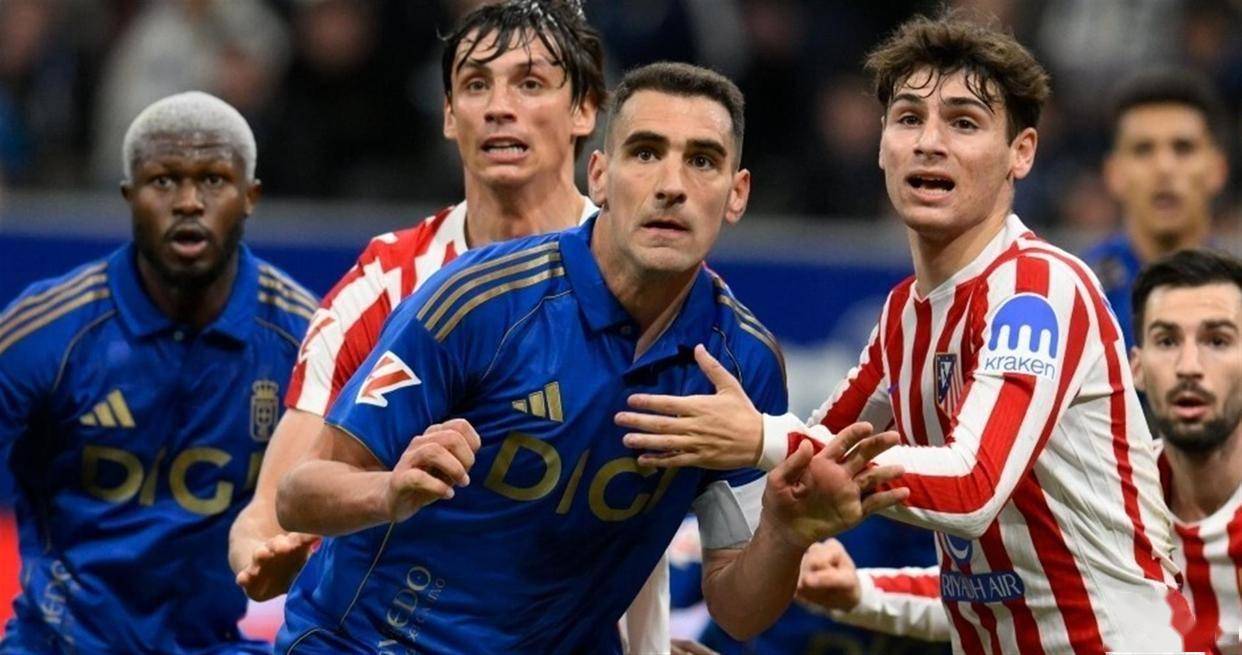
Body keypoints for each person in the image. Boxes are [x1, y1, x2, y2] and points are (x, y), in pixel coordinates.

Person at [272, 61, 907, 654]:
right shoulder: (479, 301)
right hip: (367, 641)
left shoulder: (745, 364)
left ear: (736, 194)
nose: (672, 187)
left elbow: (736, 610)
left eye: (702, 161)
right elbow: (300, 494)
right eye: (646, 153)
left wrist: (784, 535)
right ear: (598, 175)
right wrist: (389, 490)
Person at [614, 14, 1200, 654]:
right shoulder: (903, 316)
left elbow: (971, 486)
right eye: (909, 118)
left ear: (1022, 153)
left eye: (964, 123)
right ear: (881, 145)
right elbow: (818, 458)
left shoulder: (1037, 291)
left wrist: (758, 435)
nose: (929, 142)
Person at [228, 0, 605, 607]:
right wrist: (260, 552)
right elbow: (273, 505)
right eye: (475, 85)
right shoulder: (385, 282)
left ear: (584, 109)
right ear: (450, 115)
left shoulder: (640, 279)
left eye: (530, 84)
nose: (499, 107)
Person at [798, 248, 1242, 652]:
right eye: (1167, 341)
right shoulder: (1100, 485)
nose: (1189, 367)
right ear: (1136, 368)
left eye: (1218, 341)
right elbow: (1013, 591)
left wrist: (777, 441)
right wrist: (860, 591)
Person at [0, 91, 311, 652]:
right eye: (163, 181)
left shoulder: (304, 338)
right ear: (129, 196)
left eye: (213, 180)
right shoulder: (47, 332)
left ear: (250, 196)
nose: (188, 202)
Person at [1083, 68, 1230, 346]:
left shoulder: (1237, 293)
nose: (1164, 168)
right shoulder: (1078, 297)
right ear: (1113, 173)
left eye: (1183, 148)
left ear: (1217, 169)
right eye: (1143, 149)